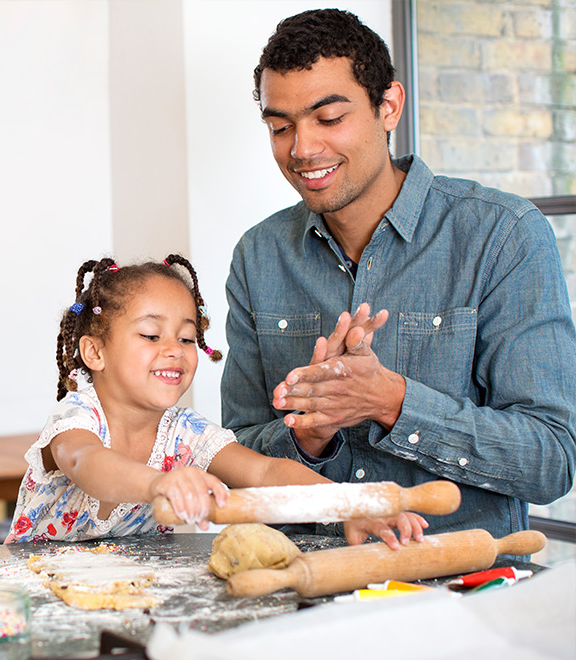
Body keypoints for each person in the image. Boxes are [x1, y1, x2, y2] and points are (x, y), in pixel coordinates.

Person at [221, 9, 576, 541]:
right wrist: (308, 435)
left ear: (388, 107)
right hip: (308, 589)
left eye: (329, 118)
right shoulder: (258, 256)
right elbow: (234, 457)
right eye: (280, 127)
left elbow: (550, 460)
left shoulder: (504, 234)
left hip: (462, 593)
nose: (302, 148)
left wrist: (392, 402)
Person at [6, 255, 426, 547]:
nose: (175, 349)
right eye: (152, 336)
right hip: (39, 591)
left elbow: (264, 470)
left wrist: (349, 504)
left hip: (128, 595)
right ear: (94, 353)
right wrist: (158, 483)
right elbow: (87, 465)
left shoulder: (184, 434)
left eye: (187, 338)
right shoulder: (78, 416)